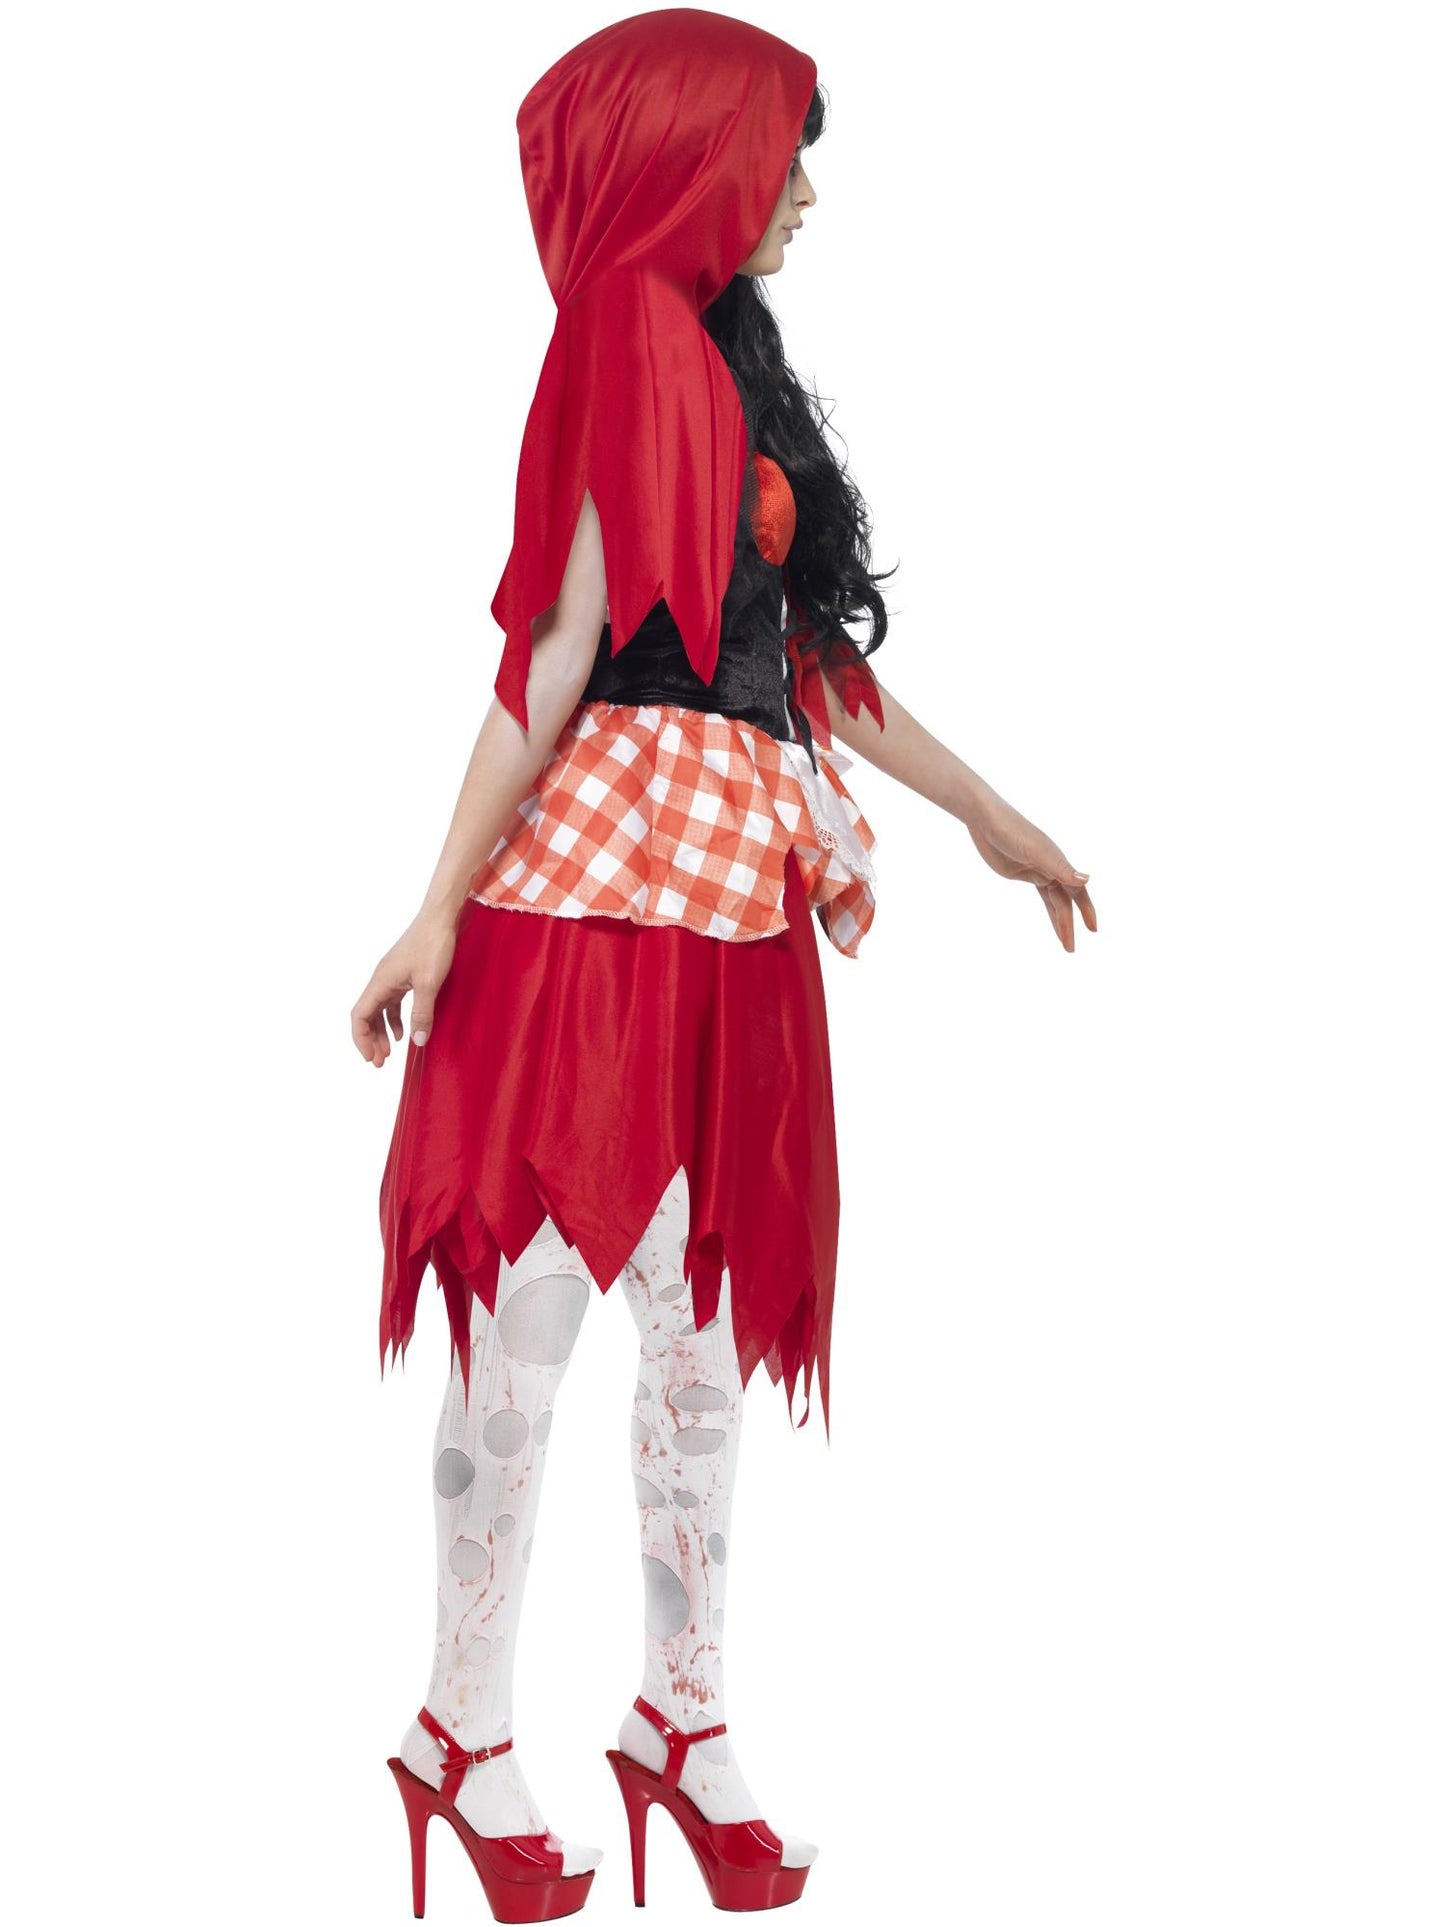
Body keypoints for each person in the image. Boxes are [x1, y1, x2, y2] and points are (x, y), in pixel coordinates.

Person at [350, 10, 1095, 1920]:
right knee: (530, 1324)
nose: (807, 195)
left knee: (696, 1342)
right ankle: (456, 1728)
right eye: (784, 155)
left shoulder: (724, 356)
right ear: (690, 155)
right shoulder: (620, 331)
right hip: (598, 900)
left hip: (734, 900)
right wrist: (434, 904)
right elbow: (560, 646)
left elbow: (796, 660)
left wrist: (989, 814)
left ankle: (681, 1720)